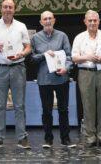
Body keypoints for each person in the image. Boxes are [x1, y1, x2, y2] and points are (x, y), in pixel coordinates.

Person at [0, 0, 31, 150]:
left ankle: (22, 137)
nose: (8, 9)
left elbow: (28, 47)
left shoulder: (21, 26)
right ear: (1, 8)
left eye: (10, 7)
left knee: (20, 105)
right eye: (5, 7)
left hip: (18, 67)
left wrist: (22, 54)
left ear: (14, 9)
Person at [72, 10, 101, 148]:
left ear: (99, 21)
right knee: (88, 105)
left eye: (95, 20)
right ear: (85, 22)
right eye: (90, 20)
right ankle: (90, 137)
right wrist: (88, 57)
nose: (92, 23)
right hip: (85, 72)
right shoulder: (79, 37)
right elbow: (74, 57)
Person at [31, 11, 76, 148]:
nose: (48, 21)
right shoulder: (35, 38)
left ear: (54, 20)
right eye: (45, 19)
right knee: (46, 110)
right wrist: (44, 55)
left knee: (63, 110)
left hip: (61, 78)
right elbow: (32, 59)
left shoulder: (62, 36)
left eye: (50, 18)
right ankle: (48, 139)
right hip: (44, 80)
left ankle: (65, 139)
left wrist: (66, 69)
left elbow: (69, 57)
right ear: (41, 22)